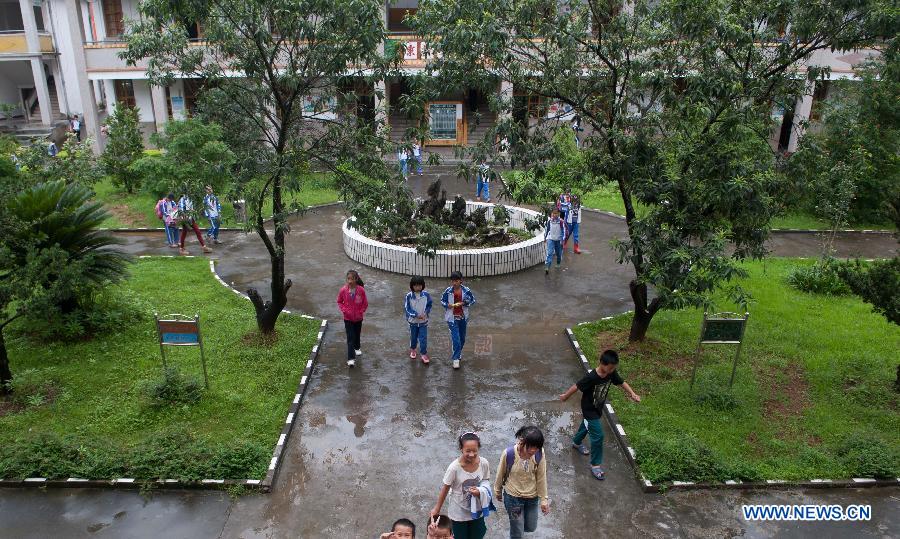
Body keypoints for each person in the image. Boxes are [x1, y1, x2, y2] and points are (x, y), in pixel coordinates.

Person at [559, 350, 641, 480]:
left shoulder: (611, 373)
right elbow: (577, 386)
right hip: (588, 409)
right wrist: (565, 396)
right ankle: (595, 465)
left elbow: (621, 382)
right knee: (598, 436)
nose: (612, 370)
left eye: (614, 368)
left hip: (597, 407)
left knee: (587, 425)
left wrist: (632, 393)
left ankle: (576, 442)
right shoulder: (592, 377)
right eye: (610, 368)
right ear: (602, 363)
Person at [430, 432, 492, 539]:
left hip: (477, 509)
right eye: (468, 451)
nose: (471, 454)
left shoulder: (484, 463)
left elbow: (485, 481)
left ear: (478, 449)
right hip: (458, 513)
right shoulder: (454, 468)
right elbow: (445, 488)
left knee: (477, 535)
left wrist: (480, 491)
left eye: (475, 451)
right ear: (461, 449)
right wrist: (437, 508)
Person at [494, 426, 550, 539]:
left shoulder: (540, 454)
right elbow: (500, 473)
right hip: (513, 499)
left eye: (537, 447)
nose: (533, 450)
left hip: (532, 498)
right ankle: (516, 528)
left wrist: (544, 499)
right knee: (517, 533)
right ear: (521, 442)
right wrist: (497, 490)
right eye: (531, 447)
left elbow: (541, 477)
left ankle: (517, 526)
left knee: (531, 527)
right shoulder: (509, 454)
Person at [440, 271, 476, 370]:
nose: (454, 283)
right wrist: (448, 305)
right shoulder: (448, 291)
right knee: (456, 339)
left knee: (462, 338)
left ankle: (458, 352)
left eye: (456, 281)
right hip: (452, 319)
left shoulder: (466, 290)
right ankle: (456, 359)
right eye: (453, 281)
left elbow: (473, 300)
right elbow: (442, 301)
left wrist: (464, 302)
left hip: (463, 317)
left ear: (461, 281)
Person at [337, 269, 368, 367]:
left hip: (358, 318)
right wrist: (344, 310)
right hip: (348, 319)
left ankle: (357, 347)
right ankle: (351, 358)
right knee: (350, 337)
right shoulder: (343, 290)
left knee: (357, 334)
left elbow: (365, 303)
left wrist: (361, 311)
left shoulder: (361, 290)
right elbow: (339, 301)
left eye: (352, 279)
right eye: (348, 279)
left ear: (356, 279)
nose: (350, 281)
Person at [405, 275, 432, 364]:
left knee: (423, 338)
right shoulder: (409, 296)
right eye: (416, 285)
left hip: (423, 321)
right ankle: (413, 349)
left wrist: (426, 312)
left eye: (420, 285)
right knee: (413, 337)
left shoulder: (426, 295)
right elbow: (407, 308)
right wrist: (416, 315)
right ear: (412, 286)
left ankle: (423, 354)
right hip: (413, 322)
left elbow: (429, 305)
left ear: (422, 285)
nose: (418, 287)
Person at [543, 208, 568, 275]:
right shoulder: (549, 221)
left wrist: (562, 240)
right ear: (551, 214)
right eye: (553, 213)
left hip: (559, 240)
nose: (554, 215)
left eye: (556, 213)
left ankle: (558, 262)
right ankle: (547, 266)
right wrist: (545, 238)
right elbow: (547, 229)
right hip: (550, 239)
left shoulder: (561, 222)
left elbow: (564, 231)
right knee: (550, 252)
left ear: (559, 214)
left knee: (558, 254)